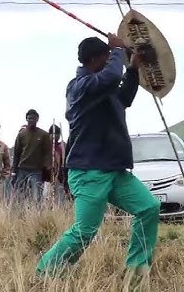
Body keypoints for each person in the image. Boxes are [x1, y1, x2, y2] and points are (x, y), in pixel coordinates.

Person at [36, 34, 160, 286]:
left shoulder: (103, 86)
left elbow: (125, 97)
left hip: (113, 169)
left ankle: (136, 272)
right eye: (106, 56)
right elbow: (113, 76)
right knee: (85, 231)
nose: (111, 60)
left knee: (148, 208)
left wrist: (133, 69)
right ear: (94, 60)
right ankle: (45, 273)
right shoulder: (80, 87)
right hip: (88, 171)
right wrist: (117, 50)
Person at [12, 109, 52, 202]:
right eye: (29, 118)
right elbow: (16, 154)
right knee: (19, 196)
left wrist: (48, 168)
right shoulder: (21, 134)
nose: (31, 121)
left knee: (36, 196)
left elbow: (47, 153)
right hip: (22, 168)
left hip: (36, 170)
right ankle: (19, 215)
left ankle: (36, 215)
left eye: (33, 118)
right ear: (26, 119)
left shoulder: (44, 135)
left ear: (37, 119)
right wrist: (14, 172)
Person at [48, 124, 68, 203]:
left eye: (58, 134)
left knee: (60, 199)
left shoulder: (61, 147)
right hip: (47, 177)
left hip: (60, 177)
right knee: (47, 197)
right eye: (54, 134)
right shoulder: (46, 146)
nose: (56, 136)